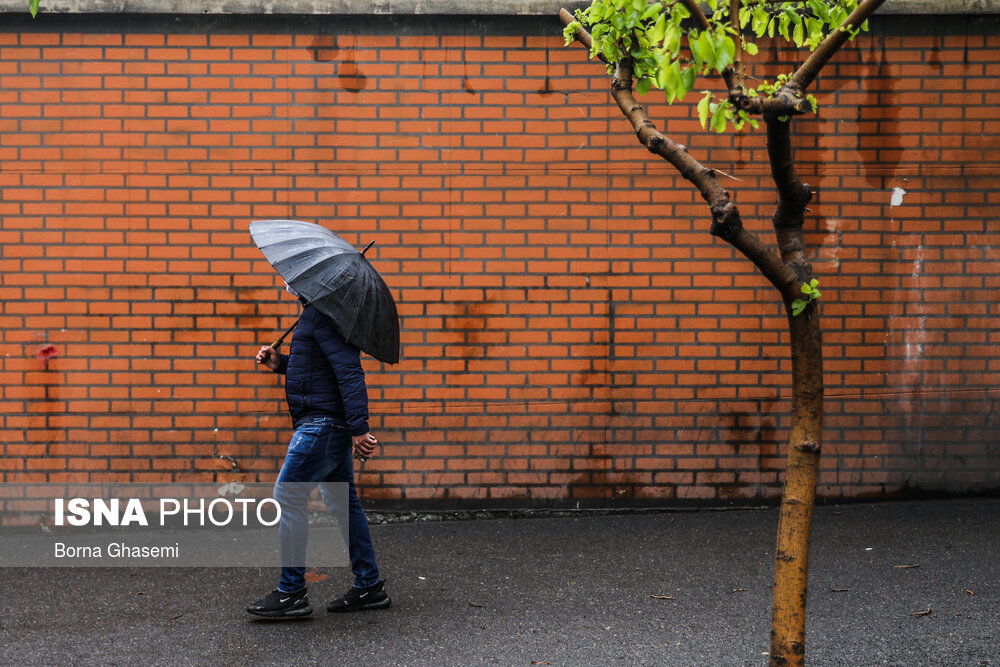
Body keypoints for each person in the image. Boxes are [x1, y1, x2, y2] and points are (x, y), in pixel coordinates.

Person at [246, 290, 390, 618]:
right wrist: (279, 362)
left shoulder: (324, 316)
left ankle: (292, 592)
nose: (285, 282)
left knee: (288, 493)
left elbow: (349, 373)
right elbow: (315, 371)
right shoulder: (315, 314)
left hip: (323, 425)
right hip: (327, 423)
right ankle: (369, 585)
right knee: (344, 502)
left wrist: (359, 428)